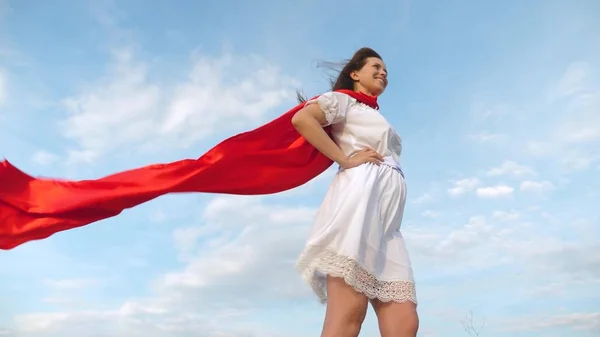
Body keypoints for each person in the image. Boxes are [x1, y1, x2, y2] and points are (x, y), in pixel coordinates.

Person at [292, 48, 419, 337]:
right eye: (376, 66)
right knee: (348, 315)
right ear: (355, 74)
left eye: (386, 69)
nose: (383, 72)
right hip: (359, 206)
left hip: (389, 225)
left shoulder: (370, 112)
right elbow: (302, 120)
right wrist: (345, 159)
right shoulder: (344, 101)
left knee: (405, 321)